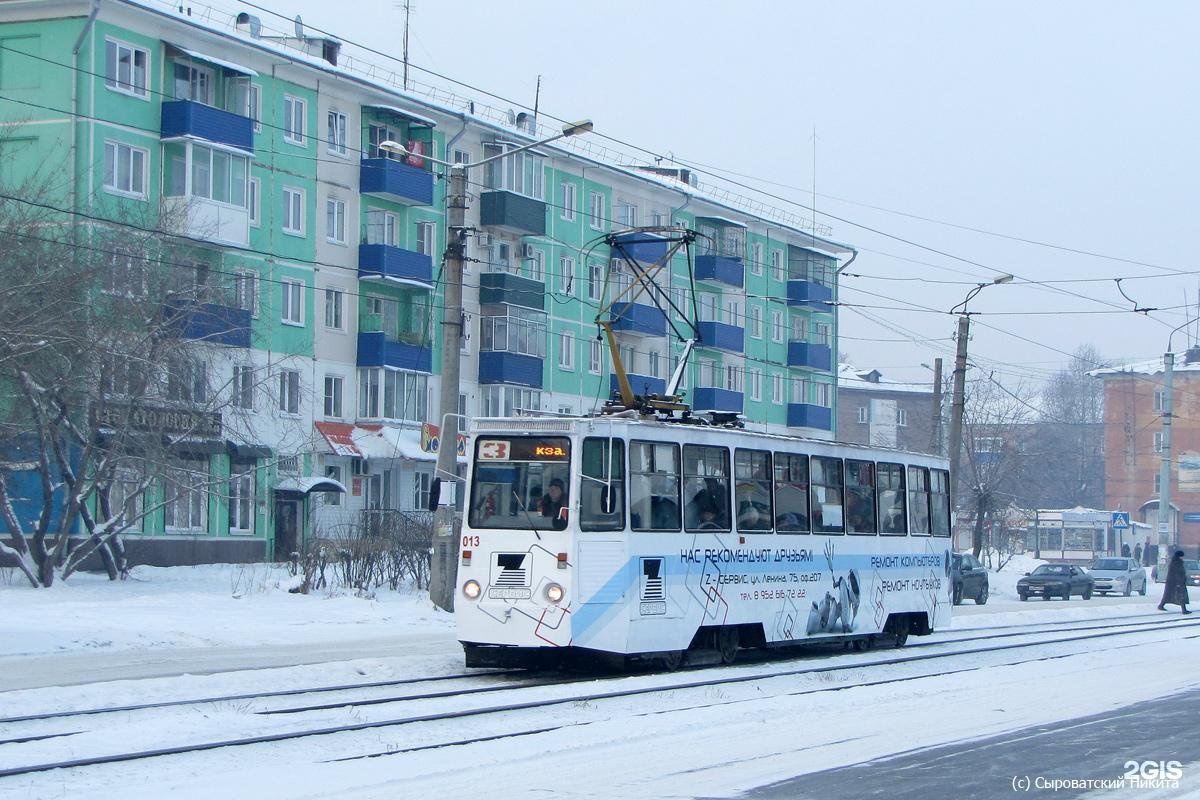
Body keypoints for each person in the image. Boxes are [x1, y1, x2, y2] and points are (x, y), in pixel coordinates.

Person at [1158, 549, 1191, 614]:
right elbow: (1177, 573)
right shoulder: (1177, 563)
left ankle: (1161, 605)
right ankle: (1184, 610)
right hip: (1177, 582)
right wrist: (1179, 582)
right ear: (1179, 556)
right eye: (1182, 556)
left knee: (1168, 595)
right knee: (1181, 595)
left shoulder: (1175, 562)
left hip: (1173, 582)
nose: (1182, 557)